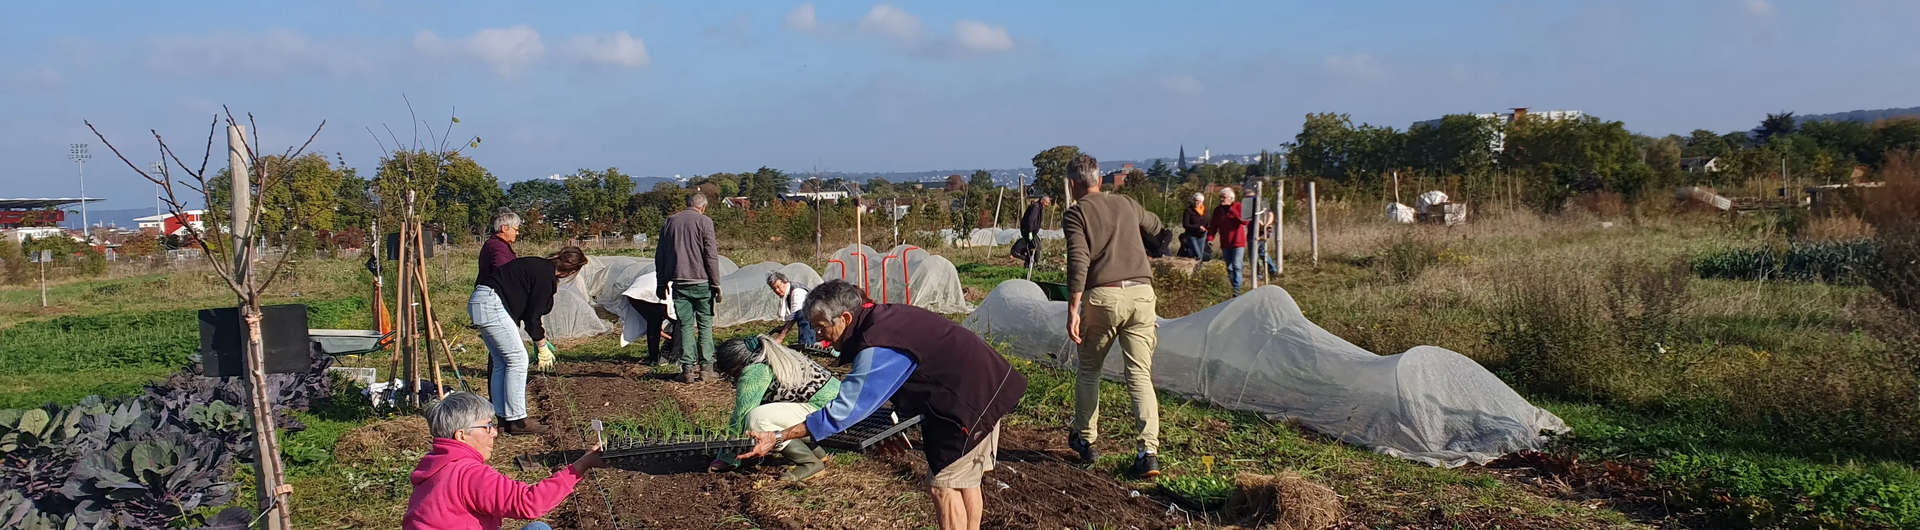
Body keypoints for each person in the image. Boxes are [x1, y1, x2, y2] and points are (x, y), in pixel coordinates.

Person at [739, 280, 1027, 530]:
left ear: (845, 318)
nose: (816, 336)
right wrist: (892, 427)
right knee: (966, 480)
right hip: (984, 388)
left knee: (944, 485)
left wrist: (779, 435)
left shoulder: (878, 343)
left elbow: (846, 409)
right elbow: (908, 375)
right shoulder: (883, 318)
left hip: (965, 403)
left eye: (820, 327)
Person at [1059, 154, 1164, 479]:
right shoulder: (1127, 204)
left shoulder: (1076, 213)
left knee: (1090, 370)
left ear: (1073, 184)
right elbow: (1158, 228)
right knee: (1140, 376)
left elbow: (1079, 260)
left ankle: (1087, 441)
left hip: (1102, 297)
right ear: (1100, 180)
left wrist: (1073, 308)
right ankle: (1148, 453)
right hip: (1141, 295)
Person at [402, 392, 607, 530]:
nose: (494, 433)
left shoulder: (435, 465)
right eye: (486, 426)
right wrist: (581, 466)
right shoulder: (468, 474)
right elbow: (529, 503)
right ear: (461, 435)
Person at [470, 247, 588, 435]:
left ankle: (502, 419)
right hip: (492, 303)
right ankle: (518, 421)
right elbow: (533, 317)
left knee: (501, 362)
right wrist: (541, 345)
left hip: (480, 300)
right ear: (572, 272)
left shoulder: (538, 265)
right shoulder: (546, 277)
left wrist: (537, 337)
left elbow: (529, 313)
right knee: (518, 360)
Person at [710, 335, 841, 481]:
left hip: (827, 410)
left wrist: (727, 458)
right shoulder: (768, 354)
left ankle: (809, 464)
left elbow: (741, 414)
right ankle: (816, 452)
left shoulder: (755, 370)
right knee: (769, 413)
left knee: (756, 420)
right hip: (835, 405)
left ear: (736, 366)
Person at [657, 193, 722, 383]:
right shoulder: (705, 222)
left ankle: (686, 370)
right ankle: (706, 370)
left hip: (678, 282)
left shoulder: (670, 222)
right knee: (705, 326)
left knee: (685, 326)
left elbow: (660, 254)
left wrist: (662, 282)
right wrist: (716, 283)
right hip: (702, 283)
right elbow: (710, 254)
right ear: (703, 207)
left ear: (687, 204)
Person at [620, 270, 676, 366]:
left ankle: (654, 359)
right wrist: (674, 338)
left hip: (635, 294)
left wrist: (669, 337)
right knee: (680, 323)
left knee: (653, 323)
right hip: (652, 292)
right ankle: (673, 356)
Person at [1207, 188, 1250, 295]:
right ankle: (1234, 287)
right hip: (1225, 242)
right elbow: (1213, 226)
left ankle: (1237, 288)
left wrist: (1232, 210)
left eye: (1224, 197)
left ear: (1231, 198)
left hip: (1238, 242)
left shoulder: (1238, 206)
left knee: (1236, 265)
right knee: (1229, 267)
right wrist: (1210, 238)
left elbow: (1245, 221)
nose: (1221, 200)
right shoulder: (1217, 210)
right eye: (1220, 197)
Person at [767, 271, 814, 347]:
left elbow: (794, 317)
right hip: (811, 318)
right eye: (774, 288)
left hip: (816, 319)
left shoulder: (797, 292)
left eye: (778, 286)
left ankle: (807, 344)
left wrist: (780, 338)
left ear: (785, 281)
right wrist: (783, 327)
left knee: (801, 314)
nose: (777, 290)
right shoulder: (787, 294)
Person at [477, 209, 519, 284]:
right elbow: (503, 271)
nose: (517, 233)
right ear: (504, 228)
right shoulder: (498, 246)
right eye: (515, 230)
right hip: (493, 293)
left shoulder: (496, 243)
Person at [1018, 196, 1051, 267]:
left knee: (1033, 247)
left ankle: (1028, 265)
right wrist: (1030, 232)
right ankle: (1036, 264)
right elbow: (1030, 220)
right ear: (1042, 201)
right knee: (1036, 247)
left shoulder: (1038, 208)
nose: (1047, 205)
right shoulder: (1035, 207)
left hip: (1032, 232)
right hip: (1027, 231)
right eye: (1046, 203)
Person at [1179, 193, 1208, 260]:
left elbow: (1207, 222)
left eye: (1198, 201)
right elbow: (1185, 224)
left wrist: (1206, 228)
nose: (1196, 202)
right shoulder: (1188, 210)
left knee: (1200, 256)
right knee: (1197, 255)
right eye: (1195, 200)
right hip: (1191, 236)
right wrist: (1198, 227)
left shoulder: (1204, 211)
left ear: (1202, 202)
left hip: (1201, 236)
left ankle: (1198, 270)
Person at [1254, 210, 1279, 277]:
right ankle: (1259, 274)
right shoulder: (1251, 205)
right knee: (1257, 255)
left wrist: (1266, 224)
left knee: (1260, 254)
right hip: (1255, 233)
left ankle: (1271, 272)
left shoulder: (1263, 205)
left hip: (1262, 233)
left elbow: (1270, 214)